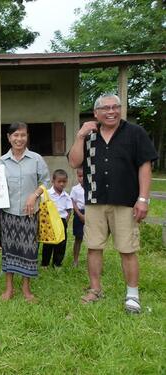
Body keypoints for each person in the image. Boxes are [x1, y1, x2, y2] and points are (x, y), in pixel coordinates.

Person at [68, 93, 157, 313]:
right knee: (94, 247)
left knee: (127, 249)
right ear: (96, 113)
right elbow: (74, 162)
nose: (111, 112)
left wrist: (143, 199)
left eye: (115, 107)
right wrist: (80, 136)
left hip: (125, 200)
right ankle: (95, 289)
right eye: (106, 108)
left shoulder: (135, 133)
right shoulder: (89, 135)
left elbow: (145, 166)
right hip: (95, 199)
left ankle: (132, 295)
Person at [0, 122, 50, 302]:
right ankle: (9, 289)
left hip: (29, 213)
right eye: (15, 135)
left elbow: (46, 182)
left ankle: (26, 289)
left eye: (23, 135)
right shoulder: (1, 161)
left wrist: (34, 195)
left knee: (29, 251)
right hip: (8, 213)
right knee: (9, 249)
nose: (19, 139)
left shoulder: (36, 159)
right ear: (9, 138)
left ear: (27, 137)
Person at [40, 169, 72, 268]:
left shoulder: (66, 196)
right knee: (48, 244)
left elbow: (69, 210)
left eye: (64, 182)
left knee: (61, 244)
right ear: (53, 181)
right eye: (59, 181)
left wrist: (64, 223)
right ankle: (45, 264)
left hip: (61, 222)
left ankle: (57, 264)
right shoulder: (47, 194)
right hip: (49, 222)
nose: (62, 184)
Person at [70, 167, 85, 267]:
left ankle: (93, 261)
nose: (82, 178)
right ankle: (75, 260)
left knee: (93, 239)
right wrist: (80, 215)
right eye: (80, 176)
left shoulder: (93, 188)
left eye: (84, 176)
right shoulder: (75, 189)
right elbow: (73, 202)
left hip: (91, 213)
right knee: (78, 238)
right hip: (79, 213)